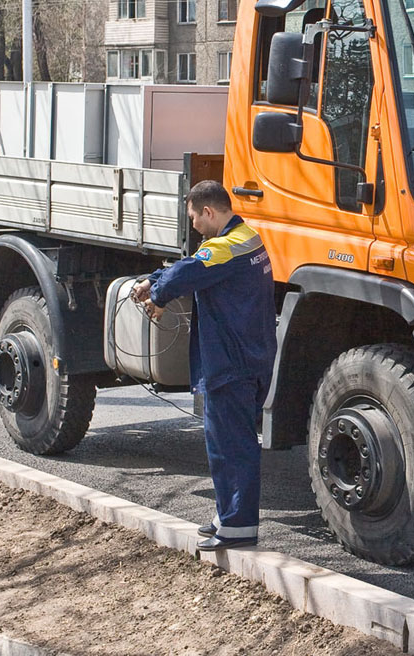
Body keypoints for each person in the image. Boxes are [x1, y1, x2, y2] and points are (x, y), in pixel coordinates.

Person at [130, 180, 277, 551]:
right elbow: (195, 266)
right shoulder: (247, 238)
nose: (193, 225)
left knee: (230, 446)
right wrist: (155, 280)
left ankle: (238, 526)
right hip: (248, 356)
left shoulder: (225, 248)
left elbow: (188, 273)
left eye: (194, 217)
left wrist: (158, 294)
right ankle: (227, 514)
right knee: (227, 443)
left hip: (231, 364)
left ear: (209, 212)